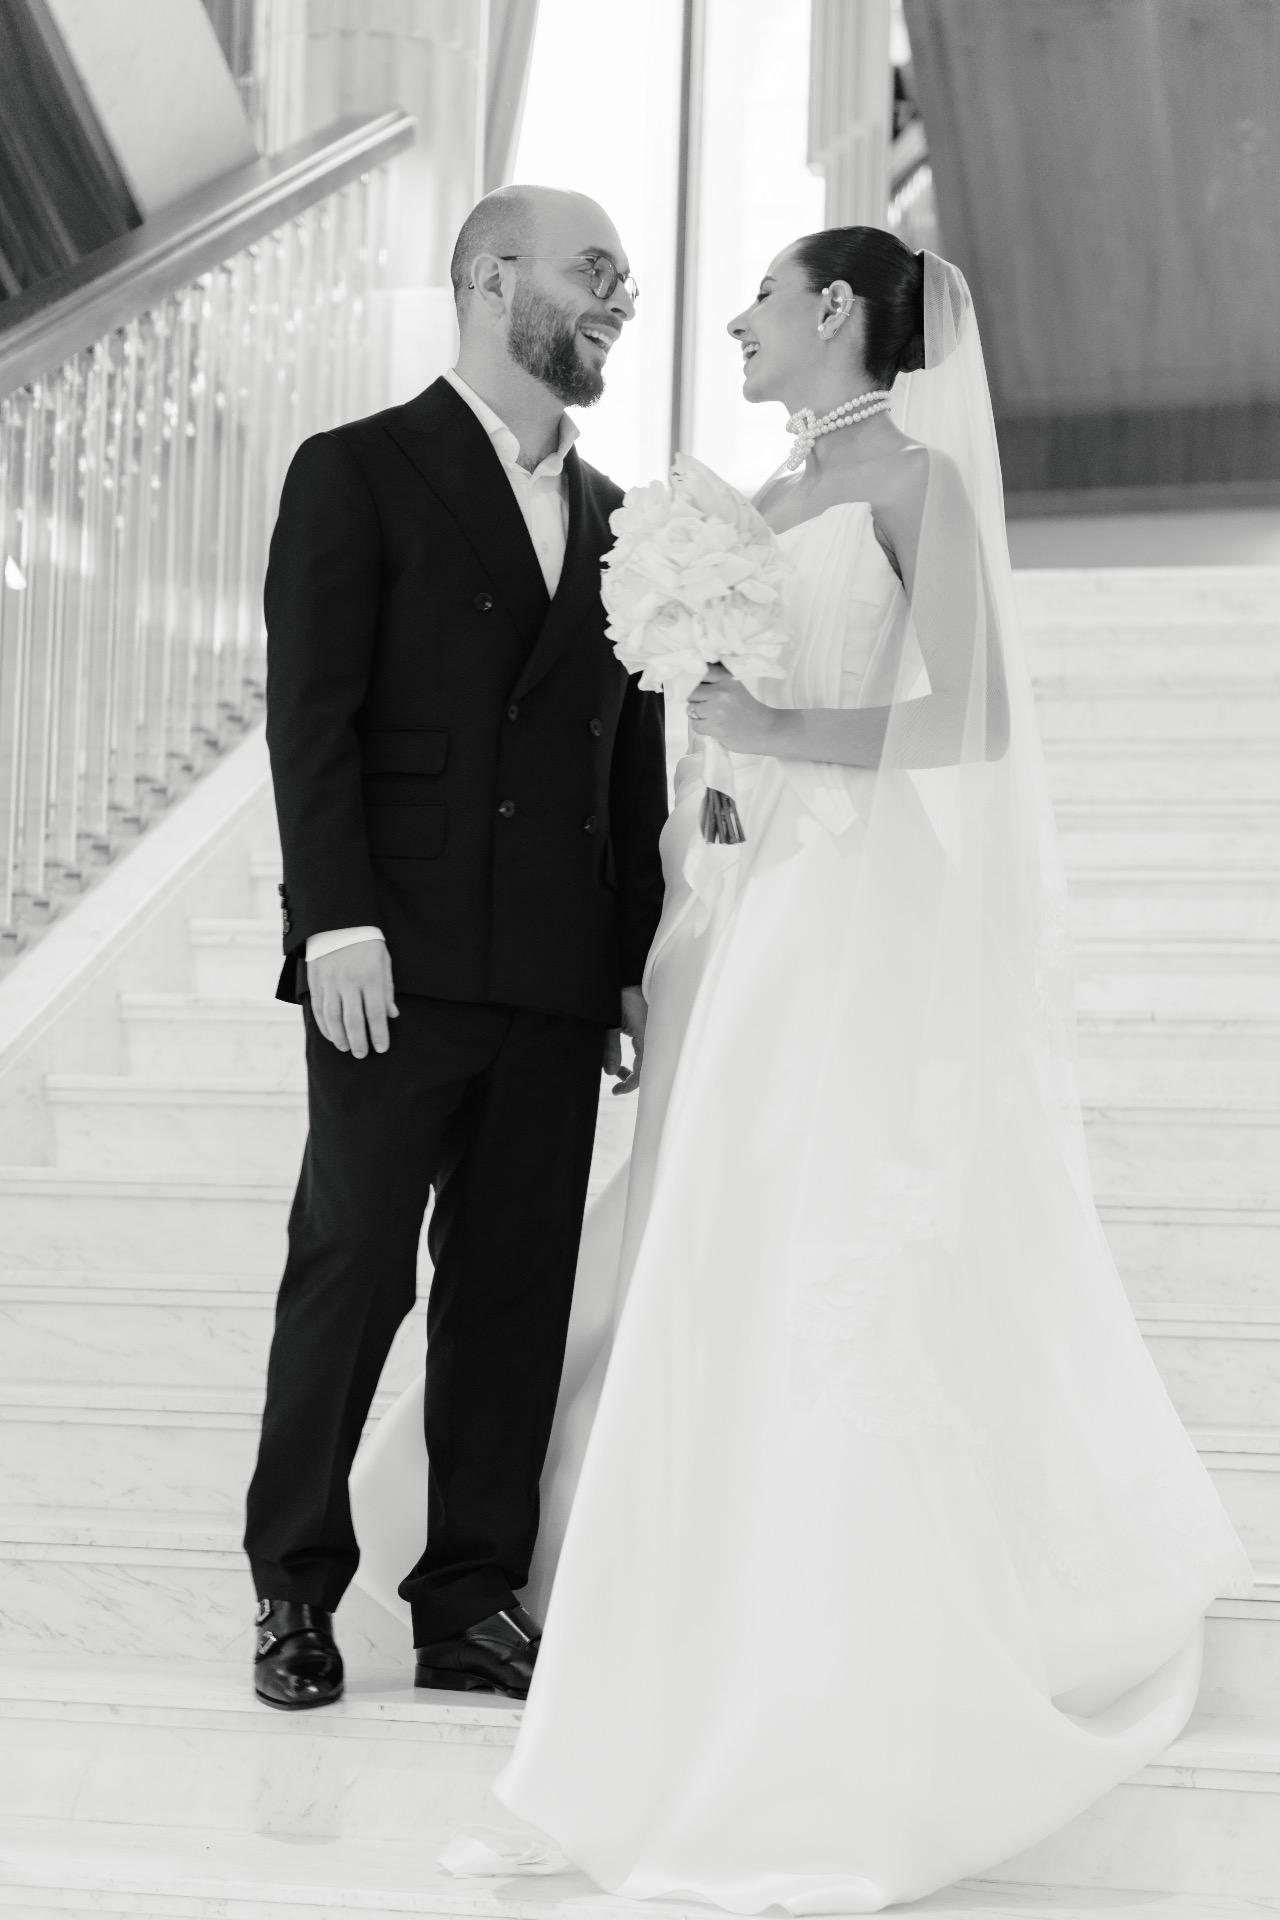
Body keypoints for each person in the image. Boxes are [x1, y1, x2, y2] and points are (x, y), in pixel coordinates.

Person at [351, 231, 1251, 1910]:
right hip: (735, 901)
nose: (736, 323)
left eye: (761, 300)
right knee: (713, 1252)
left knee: (806, 1247)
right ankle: (679, 1627)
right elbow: (730, 700)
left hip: (841, 908)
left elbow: (971, 721)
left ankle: (818, 1669)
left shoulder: (917, 484)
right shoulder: (761, 491)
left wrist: (773, 736)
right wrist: (711, 775)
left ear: (837, 312)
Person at [243, 186, 668, 1711]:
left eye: (626, 281)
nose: (619, 300)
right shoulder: (356, 469)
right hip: (394, 960)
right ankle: (294, 1591)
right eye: (593, 271)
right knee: (353, 1273)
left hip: (553, 969)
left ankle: (470, 1600)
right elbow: (312, 721)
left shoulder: (625, 519)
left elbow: (630, 761)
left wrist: (630, 958)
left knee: (514, 1292)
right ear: (492, 276)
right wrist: (335, 919)